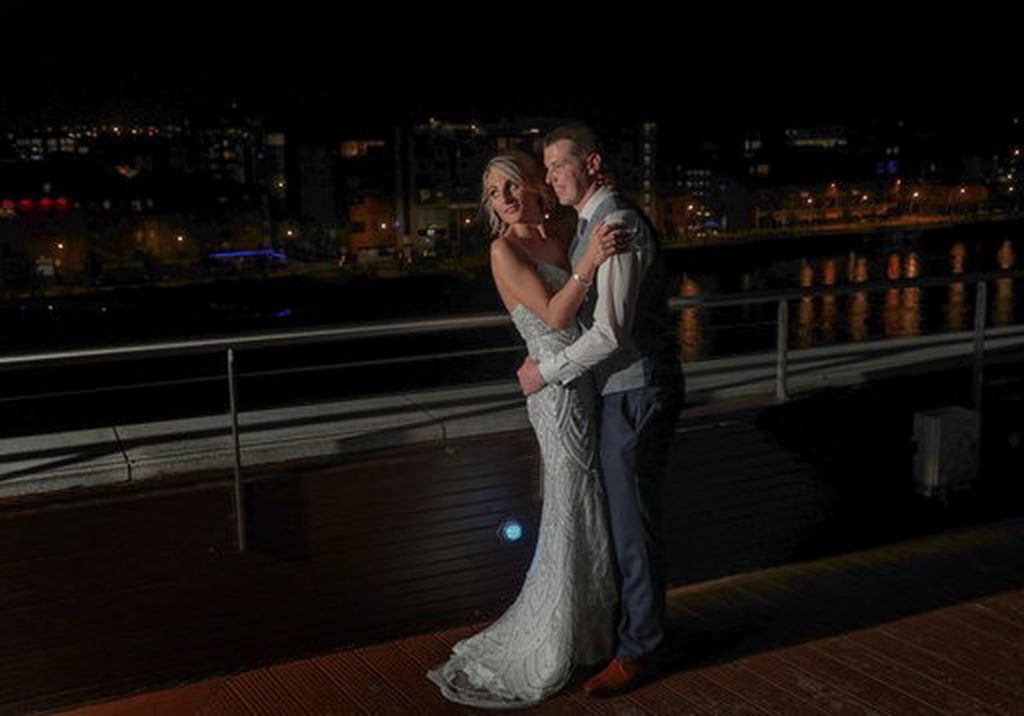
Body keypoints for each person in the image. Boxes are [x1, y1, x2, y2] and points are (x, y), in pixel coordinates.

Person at [427, 150, 630, 708]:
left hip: (586, 380)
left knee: (591, 501)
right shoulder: (504, 249)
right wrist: (588, 264)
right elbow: (557, 315)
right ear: (491, 207)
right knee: (569, 501)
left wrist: (599, 187)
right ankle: (556, 638)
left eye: (511, 184)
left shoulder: (562, 228)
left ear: (533, 185)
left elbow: (582, 203)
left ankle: (593, 630)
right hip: (554, 393)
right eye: (494, 192)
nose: (505, 197)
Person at [517, 123, 684, 697]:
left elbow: (611, 332)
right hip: (619, 391)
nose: (550, 176)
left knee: (633, 525)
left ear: (589, 163)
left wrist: (548, 371)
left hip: (637, 387)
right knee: (622, 521)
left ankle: (641, 650)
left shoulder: (614, 224)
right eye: (545, 168)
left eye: (558, 165)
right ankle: (634, 632)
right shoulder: (589, 223)